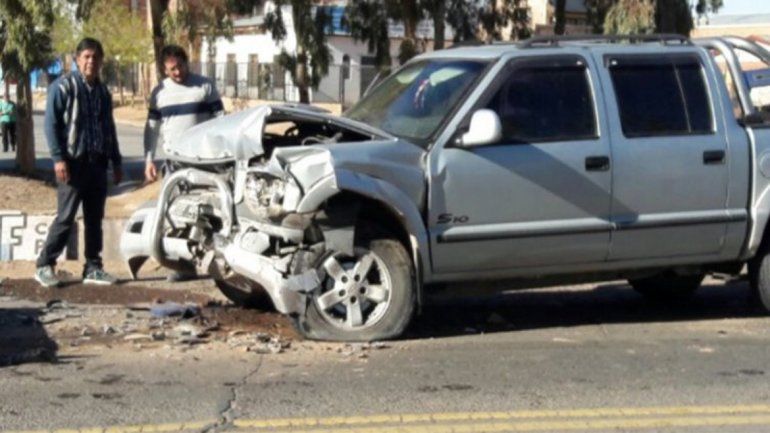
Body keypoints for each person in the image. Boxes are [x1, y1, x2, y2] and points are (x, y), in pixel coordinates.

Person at [34, 38, 123, 288]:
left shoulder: (104, 92)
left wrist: (116, 161)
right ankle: (44, 265)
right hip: (73, 164)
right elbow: (51, 125)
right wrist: (58, 158)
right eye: (86, 56)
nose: (91, 61)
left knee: (95, 219)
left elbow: (109, 128)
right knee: (66, 217)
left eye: (95, 57)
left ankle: (93, 267)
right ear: (76, 59)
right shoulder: (63, 87)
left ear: (101, 61)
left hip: (98, 164)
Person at [144, 44, 224, 282]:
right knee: (174, 214)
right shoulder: (160, 92)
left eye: (179, 66)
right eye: (171, 69)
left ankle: (216, 262)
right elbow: (151, 130)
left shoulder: (205, 86)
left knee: (209, 213)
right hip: (174, 164)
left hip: (204, 162)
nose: (177, 72)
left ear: (186, 62)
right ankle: (182, 266)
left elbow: (221, 121)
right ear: (164, 70)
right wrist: (149, 159)